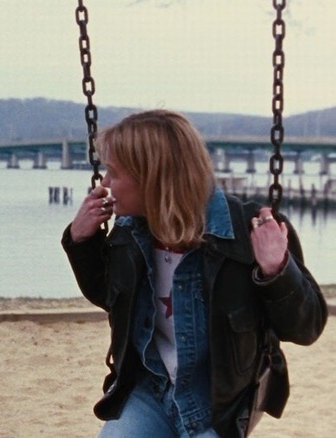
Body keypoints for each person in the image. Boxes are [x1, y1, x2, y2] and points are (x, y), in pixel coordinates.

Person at [61, 109, 327, 437]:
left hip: (219, 402)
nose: (104, 183)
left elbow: (307, 328)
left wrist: (277, 270)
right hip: (151, 390)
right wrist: (82, 241)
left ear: (152, 177)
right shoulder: (129, 233)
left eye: (113, 173)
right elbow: (112, 298)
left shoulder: (249, 231)